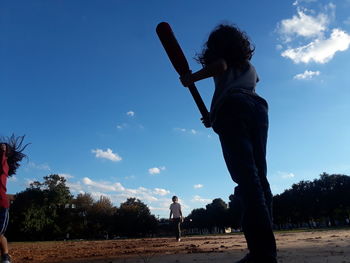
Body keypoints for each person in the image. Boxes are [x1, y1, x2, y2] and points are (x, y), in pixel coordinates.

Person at [180, 24, 277, 263]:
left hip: (232, 107)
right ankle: (266, 250)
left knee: (247, 180)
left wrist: (190, 78)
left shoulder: (221, 62)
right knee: (259, 177)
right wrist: (213, 116)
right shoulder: (251, 68)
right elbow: (243, 85)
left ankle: (262, 254)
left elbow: (221, 68)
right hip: (258, 109)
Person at [0, 135, 29, 263]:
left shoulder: (4, 165)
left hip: (1, 206)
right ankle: (5, 256)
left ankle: (5, 257)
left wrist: (4, 151)